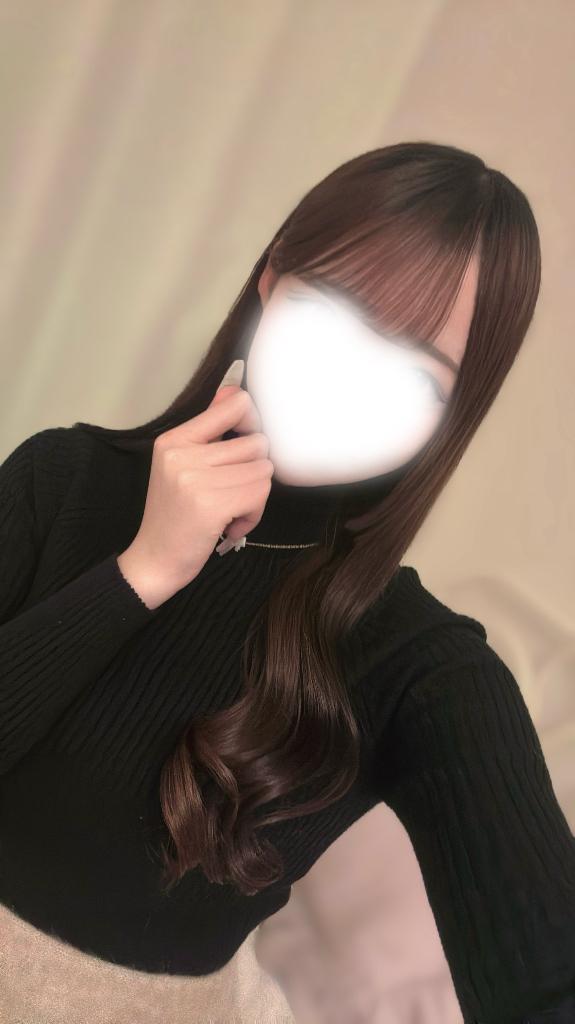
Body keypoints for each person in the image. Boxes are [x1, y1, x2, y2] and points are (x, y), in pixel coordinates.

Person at [1, 141, 573, 1024]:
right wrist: (141, 572)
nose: (349, 380)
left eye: (414, 371)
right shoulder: (60, 480)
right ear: (271, 280)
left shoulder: (418, 662)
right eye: (336, 312)